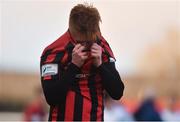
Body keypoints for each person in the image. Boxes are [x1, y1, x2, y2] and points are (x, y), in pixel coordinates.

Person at [40, 3, 124, 121]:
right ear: (71, 31)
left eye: (90, 41)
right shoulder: (53, 51)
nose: (86, 46)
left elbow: (117, 92)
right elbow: (51, 98)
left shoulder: (102, 48)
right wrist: (73, 66)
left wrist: (100, 65)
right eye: (80, 42)